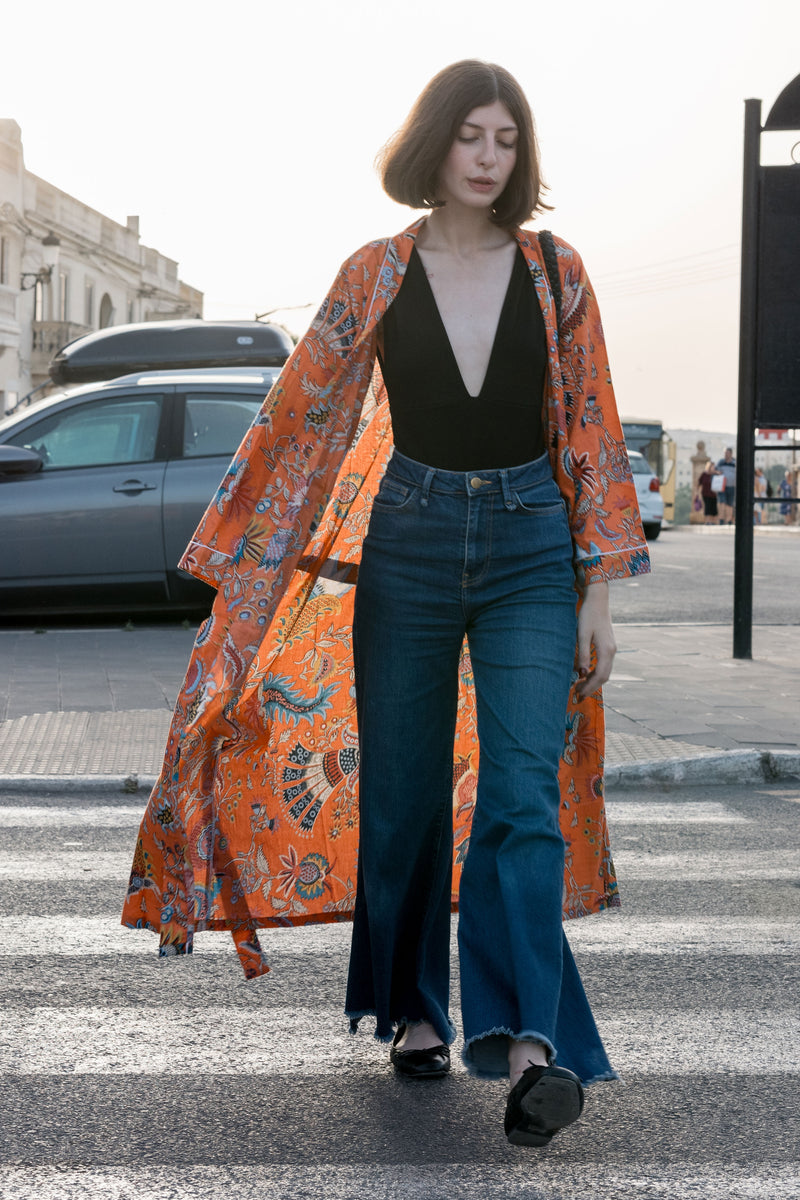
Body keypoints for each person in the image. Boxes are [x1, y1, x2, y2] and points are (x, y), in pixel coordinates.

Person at [121, 61, 650, 1149]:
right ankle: (413, 1008)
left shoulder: (555, 271)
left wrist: (599, 589)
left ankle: (530, 1047)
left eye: (506, 138)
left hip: (527, 550)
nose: (488, 156)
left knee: (519, 796)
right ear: (433, 146)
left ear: (521, 154)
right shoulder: (374, 271)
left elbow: (591, 423)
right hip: (405, 545)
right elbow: (299, 404)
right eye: (469, 135)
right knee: (403, 797)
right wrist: (240, 555)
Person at [716, 446, 736, 524]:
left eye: (727, 453)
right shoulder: (721, 462)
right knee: (722, 502)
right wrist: (718, 473)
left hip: (732, 486)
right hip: (722, 486)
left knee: (730, 503)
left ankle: (729, 519)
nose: (726, 455)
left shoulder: (734, 463)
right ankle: (721, 518)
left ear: (731, 454)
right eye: (725, 453)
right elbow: (715, 470)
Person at [696, 458, 720, 525]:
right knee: (707, 507)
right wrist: (697, 492)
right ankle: (707, 521)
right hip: (706, 493)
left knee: (713, 508)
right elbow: (699, 483)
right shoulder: (704, 474)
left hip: (714, 494)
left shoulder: (716, 474)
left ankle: (713, 521)